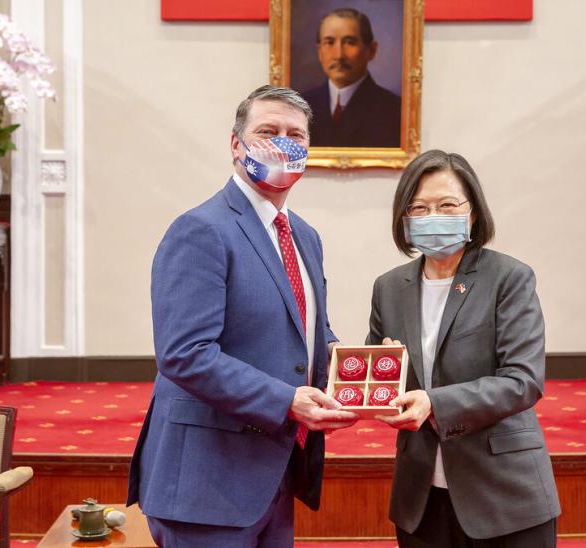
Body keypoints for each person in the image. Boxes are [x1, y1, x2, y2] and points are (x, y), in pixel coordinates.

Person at [127, 85, 359, 547]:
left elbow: (308, 331)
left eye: (295, 135)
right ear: (236, 144)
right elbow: (185, 355)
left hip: (275, 472)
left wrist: (356, 369)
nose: (282, 143)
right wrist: (286, 401)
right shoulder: (201, 229)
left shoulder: (304, 237)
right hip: (207, 481)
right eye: (267, 131)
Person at [367, 150, 561, 547]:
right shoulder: (389, 288)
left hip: (504, 495)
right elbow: (379, 379)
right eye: (418, 207)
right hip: (420, 494)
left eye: (447, 205)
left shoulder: (508, 278)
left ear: (472, 212)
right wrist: (383, 375)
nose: (432, 215)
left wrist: (434, 403)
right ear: (404, 219)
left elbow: (523, 381)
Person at [300, 8, 401, 148]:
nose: (338, 55)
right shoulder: (299, 107)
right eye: (329, 42)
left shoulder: (395, 111)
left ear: (371, 50)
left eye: (350, 42)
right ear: (319, 52)